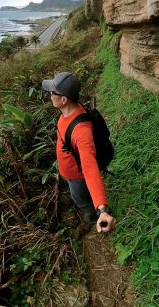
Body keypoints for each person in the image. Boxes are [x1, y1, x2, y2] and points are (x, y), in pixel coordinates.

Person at [42, 71, 116, 234]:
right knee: (79, 196)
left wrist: (103, 209)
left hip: (77, 176)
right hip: (69, 169)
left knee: (80, 199)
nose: (50, 95)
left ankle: (90, 216)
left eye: (53, 92)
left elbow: (90, 168)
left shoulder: (81, 132)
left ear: (64, 99)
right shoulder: (70, 111)